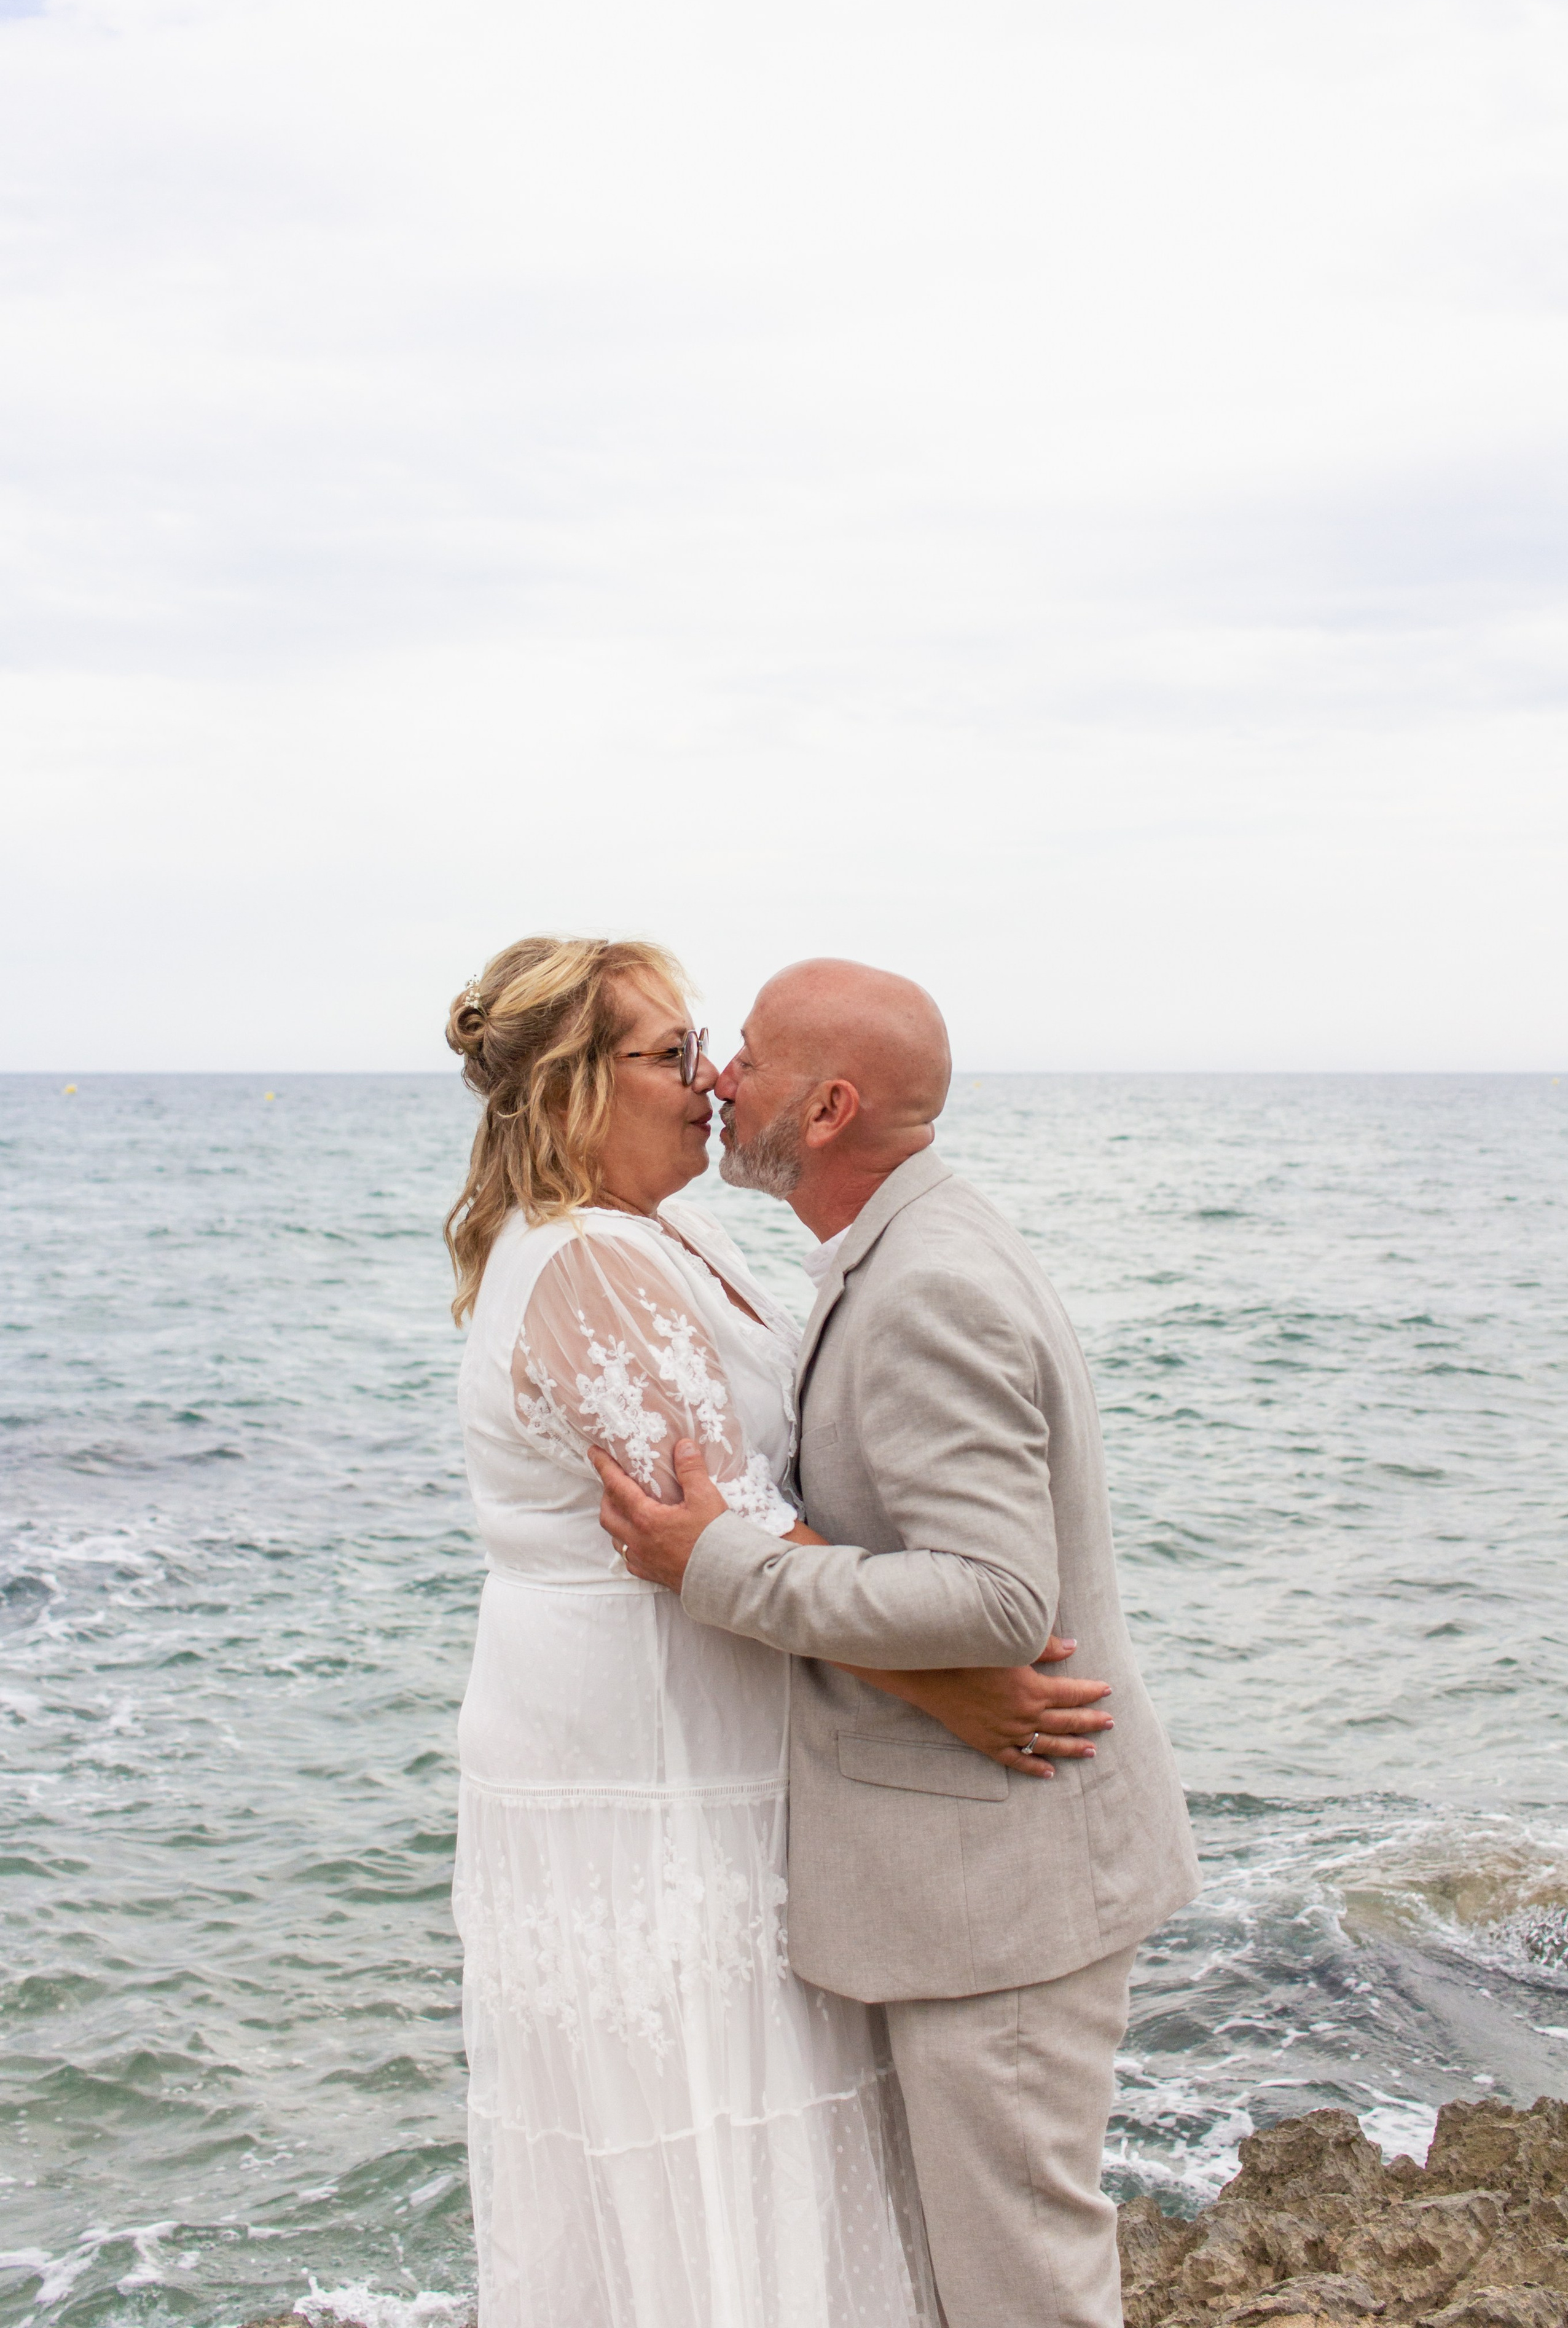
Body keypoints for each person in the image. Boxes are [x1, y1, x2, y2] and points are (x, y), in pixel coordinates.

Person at [443, 935, 1110, 2328]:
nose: (705, 1083)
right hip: (644, 1747)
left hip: (717, 1716)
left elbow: (738, 1533)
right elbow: (711, 1530)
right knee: (699, 2114)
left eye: (709, 1052)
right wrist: (952, 1697)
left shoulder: (663, 1230)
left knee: (767, 2113)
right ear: (572, 1086)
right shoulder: (583, 1264)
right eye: (671, 1055)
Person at [595, 957, 1203, 2328]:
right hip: (984, 1878)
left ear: (825, 1110)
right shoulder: (913, 1239)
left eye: (745, 1056)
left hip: (1002, 1891)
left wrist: (721, 1567)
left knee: (1017, 2289)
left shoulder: (926, 1282)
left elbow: (993, 1599)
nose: (715, 1076)